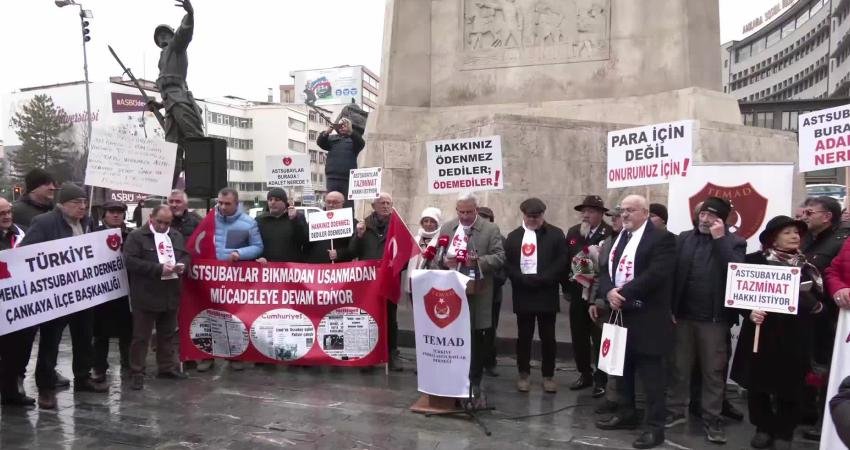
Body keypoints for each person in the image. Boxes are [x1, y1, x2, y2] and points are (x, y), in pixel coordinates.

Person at [730, 215, 825, 450]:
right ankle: (762, 427)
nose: (795, 236)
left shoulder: (807, 266)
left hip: (795, 335)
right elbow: (737, 294)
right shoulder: (753, 261)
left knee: (790, 384)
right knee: (758, 383)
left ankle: (784, 431)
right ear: (773, 238)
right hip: (761, 333)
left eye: (797, 233)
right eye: (788, 232)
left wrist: (804, 295)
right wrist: (749, 312)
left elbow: (817, 305)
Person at [595, 195, 676, 449]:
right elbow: (605, 270)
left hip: (648, 318)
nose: (625, 215)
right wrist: (608, 292)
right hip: (620, 314)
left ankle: (655, 428)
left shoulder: (662, 238)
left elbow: (656, 274)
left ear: (645, 212)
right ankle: (626, 413)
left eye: (630, 210)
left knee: (652, 377)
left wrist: (623, 293)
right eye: (622, 210)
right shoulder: (620, 238)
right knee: (623, 370)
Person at [20, 183, 107, 409]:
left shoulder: (87, 222)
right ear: (62, 205)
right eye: (76, 203)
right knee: (51, 341)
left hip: (83, 292)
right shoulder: (45, 223)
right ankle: (46, 388)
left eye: (84, 202)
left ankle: (82, 377)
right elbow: (27, 256)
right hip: (56, 295)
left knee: (84, 337)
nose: (82, 207)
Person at [668, 197, 746, 443]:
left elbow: (734, 270)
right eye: (702, 214)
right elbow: (672, 274)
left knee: (713, 372)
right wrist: (670, 307)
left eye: (711, 216)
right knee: (679, 367)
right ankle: (674, 411)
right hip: (682, 317)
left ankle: (712, 419)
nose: (704, 219)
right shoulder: (684, 238)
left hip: (714, 320)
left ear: (721, 220)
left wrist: (719, 239)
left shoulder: (735, 242)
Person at [430, 192, 506, 401]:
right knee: (454, 337)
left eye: (469, 212)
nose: (464, 216)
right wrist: (444, 261)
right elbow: (437, 256)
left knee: (476, 339)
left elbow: (499, 257)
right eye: (460, 212)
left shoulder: (490, 229)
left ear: (476, 209)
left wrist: (478, 261)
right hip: (452, 292)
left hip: (478, 293)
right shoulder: (448, 228)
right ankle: (452, 379)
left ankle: (474, 381)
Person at [124, 205, 191, 390]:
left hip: (170, 294)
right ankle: (137, 371)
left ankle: (166, 367)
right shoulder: (137, 236)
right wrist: (158, 269)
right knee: (141, 337)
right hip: (146, 295)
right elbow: (130, 261)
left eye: (167, 223)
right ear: (151, 218)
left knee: (167, 334)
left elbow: (185, 255)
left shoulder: (175, 236)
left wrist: (182, 265)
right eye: (159, 222)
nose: (163, 226)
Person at [504, 198, 567, 393]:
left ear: (542, 215)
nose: (532, 220)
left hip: (546, 292)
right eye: (529, 216)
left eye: (536, 216)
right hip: (524, 292)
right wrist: (521, 279)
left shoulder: (555, 234)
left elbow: (562, 260)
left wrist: (545, 278)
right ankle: (524, 372)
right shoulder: (514, 236)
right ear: (523, 215)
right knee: (524, 335)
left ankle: (548, 374)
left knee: (548, 336)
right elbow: (508, 263)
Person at [800, 195, 849, 440]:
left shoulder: (840, 240)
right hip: (808, 315)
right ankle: (808, 414)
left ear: (827, 216)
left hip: (830, 318)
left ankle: (825, 424)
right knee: (811, 368)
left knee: (829, 370)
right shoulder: (806, 238)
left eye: (810, 213)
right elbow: (832, 271)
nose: (803, 216)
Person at [198, 187, 263, 372]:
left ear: (236, 203)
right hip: (210, 276)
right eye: (220, 202)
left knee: (233, 318)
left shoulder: (248, 223)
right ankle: (206, 355)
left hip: (234, 277)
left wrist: (239, 253)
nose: (223, 207)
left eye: (227, 203)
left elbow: (258, 247)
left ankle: (234, 355)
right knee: (207, 316)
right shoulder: (209, 220)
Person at [148, 0, 204, 181]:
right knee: (171, 149)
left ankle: (201, 184)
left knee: (195, 140)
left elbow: (184, 33)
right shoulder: (162, 58)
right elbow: (167, 91)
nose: (163, 37)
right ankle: (167, 188)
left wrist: (190, 15)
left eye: (166, 34)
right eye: (160, 36)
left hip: (179, 101)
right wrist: (159, 104)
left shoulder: (176, 47)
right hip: (170, 103)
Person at [565, 195, 614, 395]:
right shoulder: (574, 232)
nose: (586, 215)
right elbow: (567, 259)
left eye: (591, 211)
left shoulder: (609, 233)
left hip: (598, 293)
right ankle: (584, 373)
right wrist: (566, 288)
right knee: (579, 335)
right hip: (577, 292)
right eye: (584, 211)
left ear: (601, 214)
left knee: (599, 337)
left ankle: (600, 379)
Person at [350, 193, 403, 371]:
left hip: (389, 278)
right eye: (382, 203)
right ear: (374, 206)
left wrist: (395, 268)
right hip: (369, 281)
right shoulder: (364, 225)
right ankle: (370, 354)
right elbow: (352, 251)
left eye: (389, 203)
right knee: (369, 317)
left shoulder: (398, 225)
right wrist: (358, 236)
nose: (386, 206)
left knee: (390, 317)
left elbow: (403, 252)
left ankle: (392, 353)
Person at [0, 198, 36, 407]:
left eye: (9, 211)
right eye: (1, 213)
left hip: (21, 306)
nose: (7, 216)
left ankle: (11, 391)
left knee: (19, 350)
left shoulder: (23, 233)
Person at [91, 201, 133, 382]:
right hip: (102, 292)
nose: (116, 215)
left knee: (127, 331)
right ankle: (99, 367)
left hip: (126, 290)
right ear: (104, 215)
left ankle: (128, 364)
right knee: (100, 333)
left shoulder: (131, 235)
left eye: (119, 212)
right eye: (111, 212)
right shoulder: (92, 236)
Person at [478, 206, 506, 377]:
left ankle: (490, 361)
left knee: (490, 328)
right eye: (481, 217)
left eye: (486, 217)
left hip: (492, 293)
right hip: (472, 291)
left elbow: (503, 267)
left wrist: (493, 282)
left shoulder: (499, 239)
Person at [317, 118, 365, 206]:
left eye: (345, 125)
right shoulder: (332, 139)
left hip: (347, 179)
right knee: (332, 203)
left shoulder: (354, 140)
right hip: (332, 178)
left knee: (347, 205)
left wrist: (350, 132)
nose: (342, 128)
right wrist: (327, 131)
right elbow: (320, 142)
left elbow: (361, 143)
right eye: (340, 126)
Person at [256, 188, 307, 263]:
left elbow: (304, 240)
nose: (273, 202)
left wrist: (295, 220)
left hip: (291, 269)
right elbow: (254, 244)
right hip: (268, 269)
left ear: (285, 203)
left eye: (277, 200)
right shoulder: (259, 220)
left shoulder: (297, 217)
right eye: (270, 200)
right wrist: (258, 257)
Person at [304, 191, 357, 263]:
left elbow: (356, 248)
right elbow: (305, 244)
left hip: (340, 268)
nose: (331, 205)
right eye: (328, 202)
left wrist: (339, 254)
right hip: (318, 268)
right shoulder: (315, 220)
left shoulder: (351, 222)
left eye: (335, 202)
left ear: (342, 203)